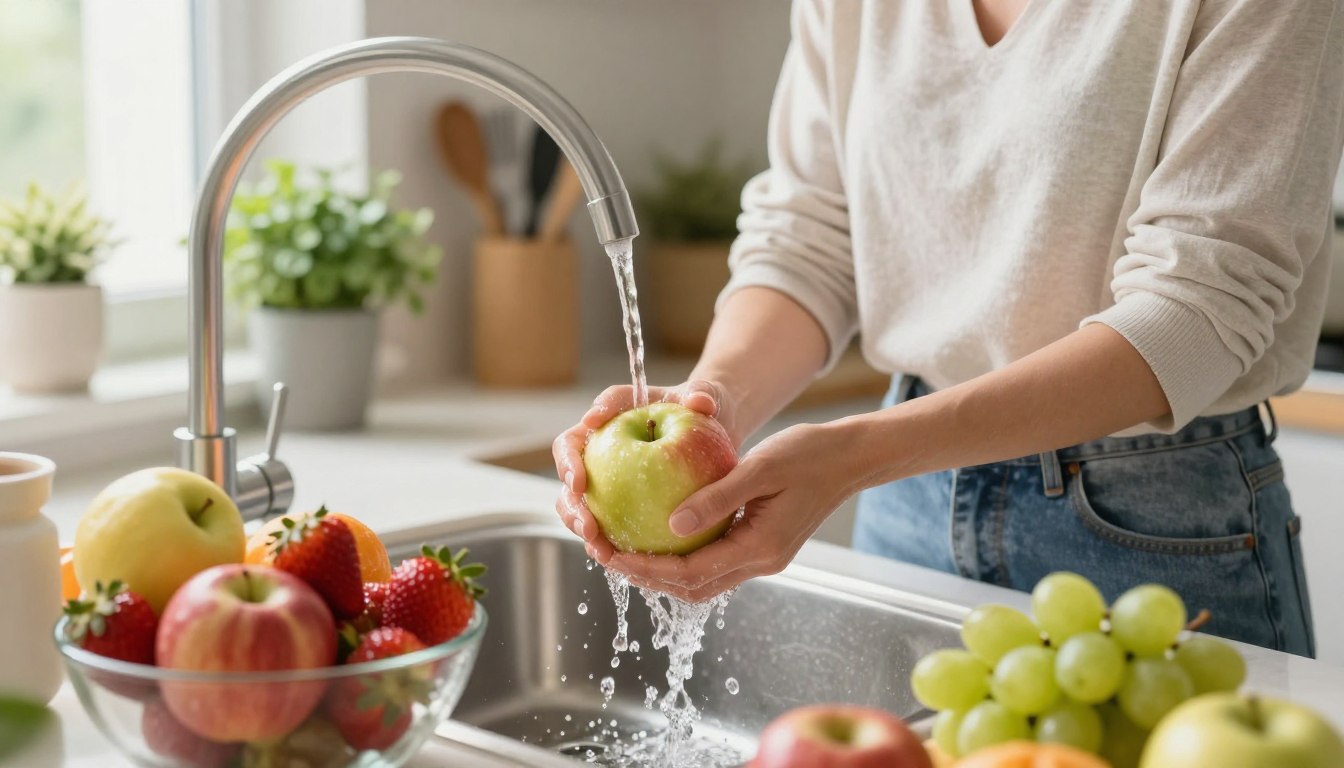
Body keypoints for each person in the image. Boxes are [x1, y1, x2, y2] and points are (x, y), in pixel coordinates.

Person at [554, 0, 1344, 657]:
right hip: (907, 506)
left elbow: (1198, 311)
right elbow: (812, 239)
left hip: (1154, 522)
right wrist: (713, 405)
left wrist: (861, 454)